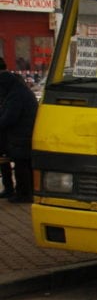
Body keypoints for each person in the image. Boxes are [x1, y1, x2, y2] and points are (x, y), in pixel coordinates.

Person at [0, 70, 39, 203]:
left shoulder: (15, 95)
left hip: (21, 135)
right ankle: (27, 192)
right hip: (27, 133)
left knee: (21, 166)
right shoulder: (20, 91)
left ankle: (23, 194)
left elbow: (9, 117)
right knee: (25, 165)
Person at [0, 57, 12, 198]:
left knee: (4, 158)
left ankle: (9, 188)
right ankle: (8, 188)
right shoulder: (12, 79)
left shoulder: (4, 81)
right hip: (11, 129)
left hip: (8, 129)